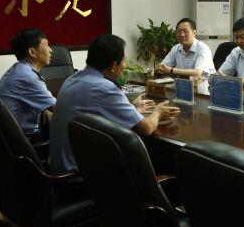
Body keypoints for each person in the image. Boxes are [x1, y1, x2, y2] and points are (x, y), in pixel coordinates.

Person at [49, 34, 180, 176]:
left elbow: (95, 111)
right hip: (81, 174)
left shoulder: (71, 79)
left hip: (60, 166)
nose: (125, 65)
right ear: (113, 66)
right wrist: (158, 112)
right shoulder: (105, 88)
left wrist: (131, 108)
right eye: (124, 60)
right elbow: (146, 128)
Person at [0, 28, 56, 137]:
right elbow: (59, 109)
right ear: (32, 52)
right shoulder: (27, 77)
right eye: (46, 45)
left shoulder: (19, 69)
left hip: (5, 135)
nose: (51, 50)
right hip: (22, 139)